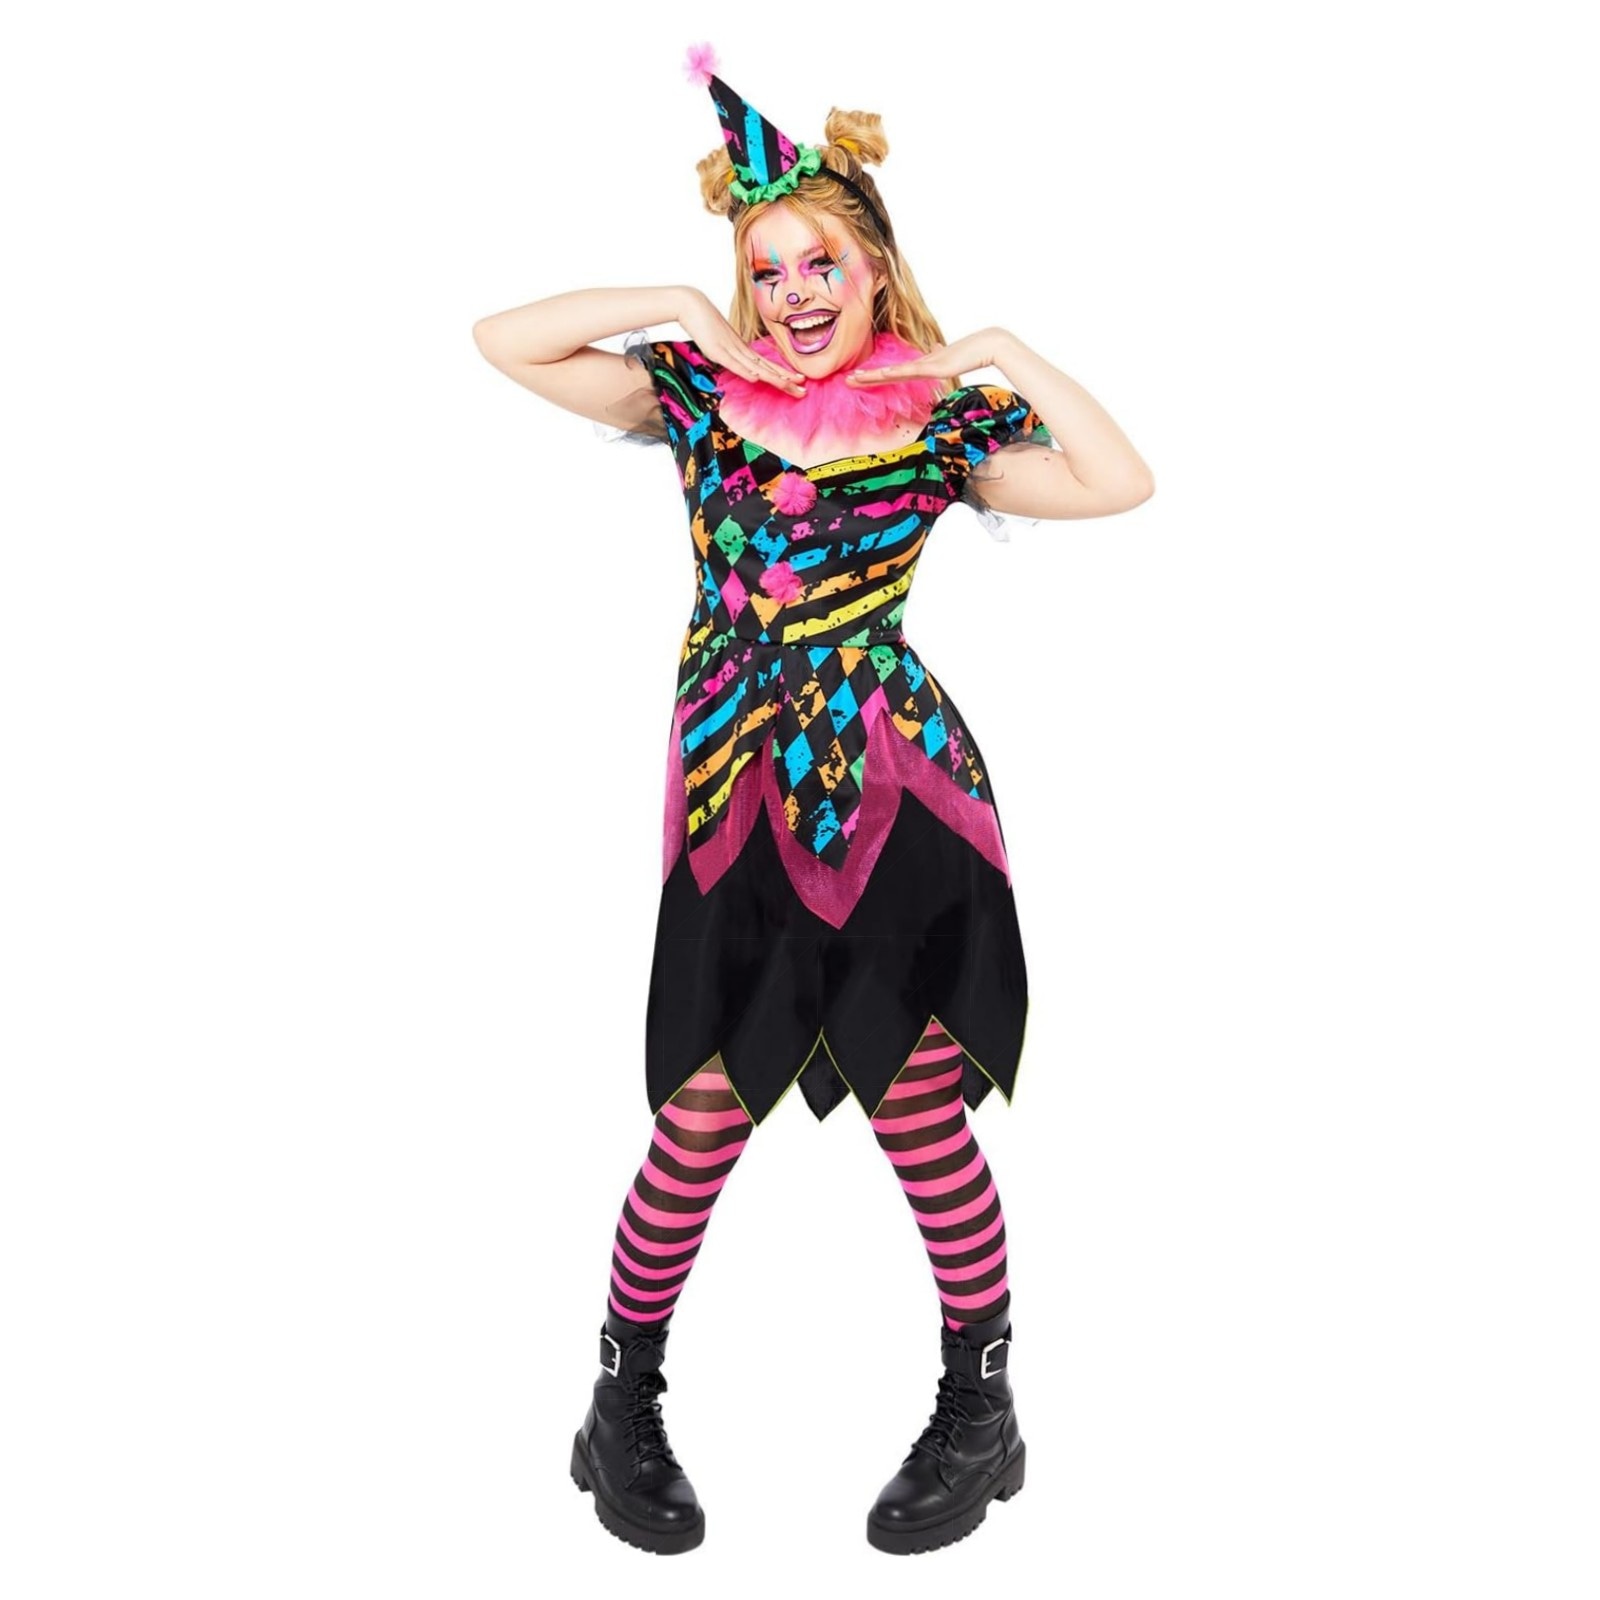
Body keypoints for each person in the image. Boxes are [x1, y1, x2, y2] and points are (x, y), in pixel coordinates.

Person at [472, 42, 1154, 1557]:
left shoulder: (933, 419)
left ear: (872, 266)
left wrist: (998, 348)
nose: (791, 292)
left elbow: (1120, 481)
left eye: (819, 262)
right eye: (765, 268)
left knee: (919, 1109)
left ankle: (981, 1410)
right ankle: (617, 1407)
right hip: (733, 799)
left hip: (894, 803)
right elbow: (499, 339)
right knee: (703, 1109)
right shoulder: (701, 398)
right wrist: (676, 304)